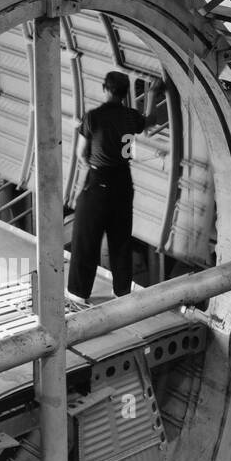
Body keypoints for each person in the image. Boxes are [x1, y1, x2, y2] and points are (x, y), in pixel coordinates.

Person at [68, 70, 167, 303]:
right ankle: (121, 292)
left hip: (98, 182)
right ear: (125, 93)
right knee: (120, 241)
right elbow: (150, 120)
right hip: (123, 182)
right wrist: (153, 92)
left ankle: (78, 293)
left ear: (105, 88)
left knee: (86, 238)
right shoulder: (131, 116)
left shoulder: (93, 117)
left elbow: (81, 154)